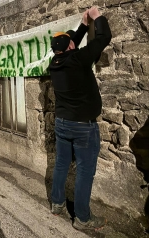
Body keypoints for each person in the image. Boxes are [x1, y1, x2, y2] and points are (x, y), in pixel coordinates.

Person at [49, 6, 112, 230]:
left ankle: (57, 204)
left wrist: (84, 26)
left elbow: (68, 43)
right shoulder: (78, 58)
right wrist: (97, 18)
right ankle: (82, 218)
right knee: (85, 171)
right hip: (83, 127)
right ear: (70, 47)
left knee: (61, 165)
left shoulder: (54, 64)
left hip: (62, 124)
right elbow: (104, 37)